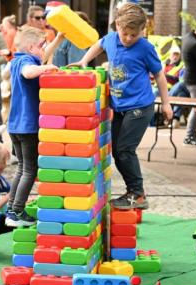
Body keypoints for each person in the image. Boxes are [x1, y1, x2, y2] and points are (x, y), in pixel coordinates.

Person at [72, 3, 173, 210]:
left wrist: (166, 103)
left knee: (125, 150)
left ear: (142, 31)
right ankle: (132, 192)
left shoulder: (145, 48)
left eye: (134, 35)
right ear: (117, 25)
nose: (128, 38)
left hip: (140, 106)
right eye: (125, 33)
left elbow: (160, 76)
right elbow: (99, 44)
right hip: (119, 107)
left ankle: (138, 194)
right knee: (117, 151)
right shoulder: (110, 39)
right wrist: (84, 61)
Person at [5, 27, 58, 225]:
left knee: (21, 168)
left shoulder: (16, 60)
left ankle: (12, 208)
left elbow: (41, 57)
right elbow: (29, 73)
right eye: (41, 47)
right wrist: (47, 68)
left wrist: (59, 37)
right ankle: (17, 210)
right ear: (30, 47)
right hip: (28, 127)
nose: (44, 51)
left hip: (15, 126)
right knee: (30, 170)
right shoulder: (27, 63)